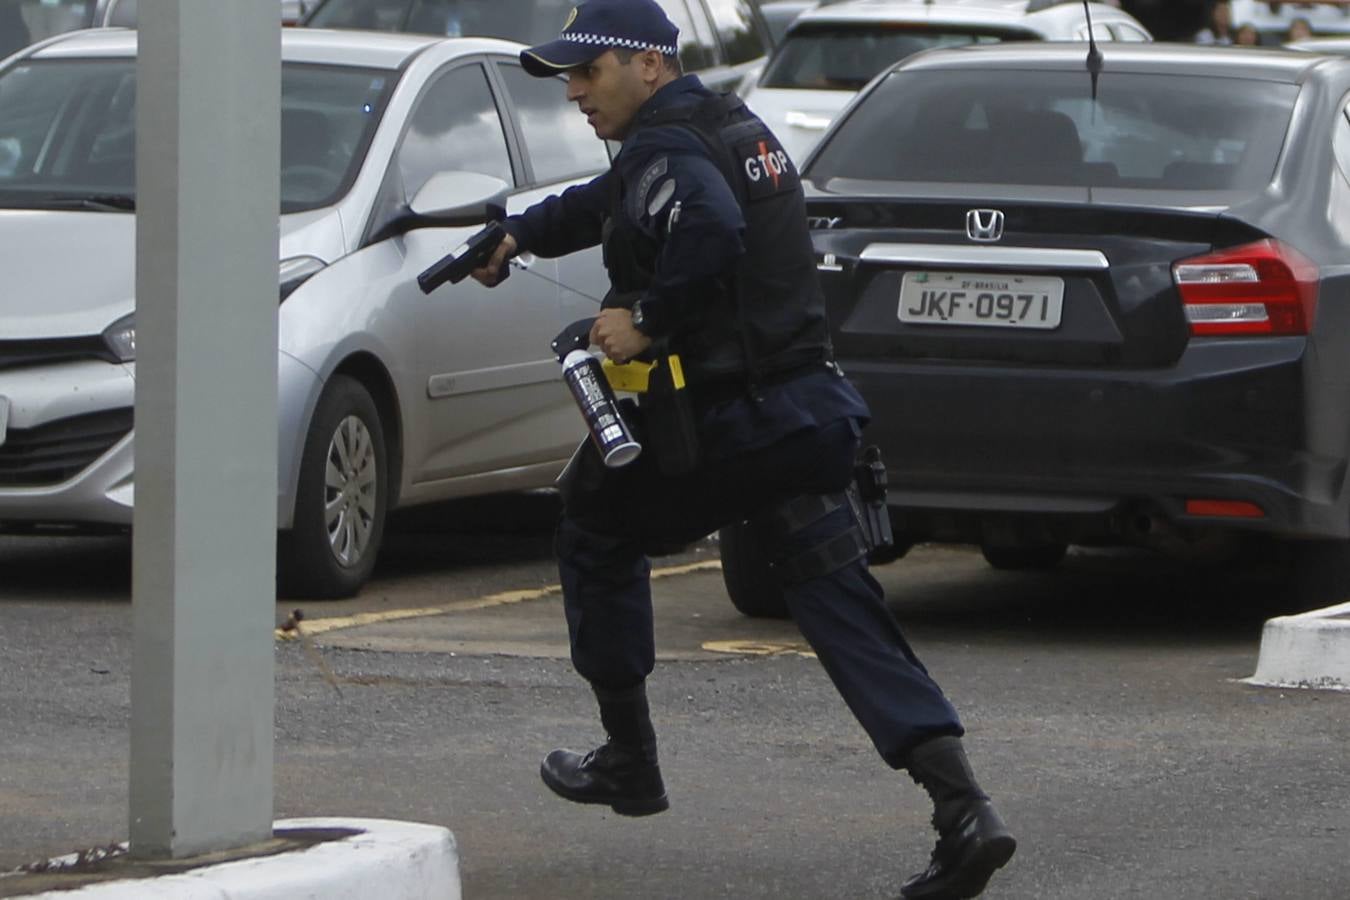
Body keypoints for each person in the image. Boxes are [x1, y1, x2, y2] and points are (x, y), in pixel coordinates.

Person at [472, 0, 1016, 896]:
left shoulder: (670, 146)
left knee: (594, 523)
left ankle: (629, 759)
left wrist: (646, 318)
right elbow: (618, 200)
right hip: (807, 419)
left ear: (648, 65)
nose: (573, 90)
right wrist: (520, 232)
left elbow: (709, 228)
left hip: (734, 423)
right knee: (838, 601)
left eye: (588, 70)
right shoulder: (729, 126)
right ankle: (964, 808)